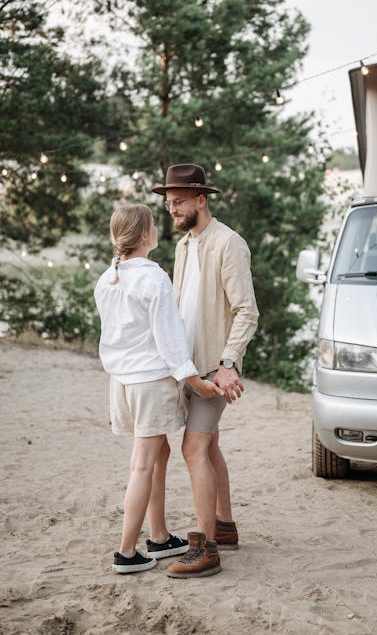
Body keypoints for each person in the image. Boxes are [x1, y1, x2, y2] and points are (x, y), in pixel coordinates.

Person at [94, 203, 223, 574]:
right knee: (142, 465)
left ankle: (160, 536)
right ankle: (126, 553)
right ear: (145, 235)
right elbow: (170, 340)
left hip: (121, 383)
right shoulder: (153, 279)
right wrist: (196, 380)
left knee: (158, 454)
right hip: (150, 382)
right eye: (153, 224)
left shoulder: (108, 278)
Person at [152, 164, 259, 578]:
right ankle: (225, 526)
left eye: (177, 203)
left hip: (215, 368)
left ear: (201, 199)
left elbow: (247, 310)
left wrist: (228, 364)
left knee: (193, 449)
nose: (171, 210)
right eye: (167, 204)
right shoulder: (182, 248)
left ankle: (205, 546)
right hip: (188, 366)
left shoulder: (229, 243)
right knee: (209, 447)